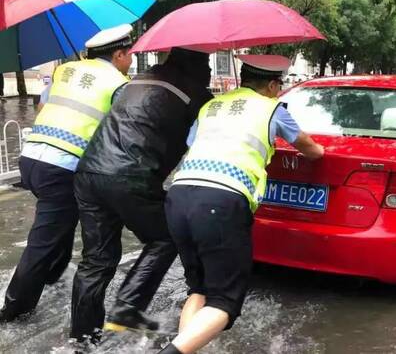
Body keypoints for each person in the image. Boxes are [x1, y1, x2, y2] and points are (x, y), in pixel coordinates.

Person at [159, 55, 324, 354]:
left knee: (198, 288)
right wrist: (320, 152)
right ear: (273, 85)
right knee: (224, 301)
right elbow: (310, 149)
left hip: (178, 196)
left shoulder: (211, 106)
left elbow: (192, 143)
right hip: (220, 203)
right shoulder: (273, 108)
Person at [70, 47, 213, 343]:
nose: (210, 72)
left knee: (95, 260)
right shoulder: (194, 92)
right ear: (198, 66)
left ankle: (82, 339)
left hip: (89, 174)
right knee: (167, 236)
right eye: (208, 64)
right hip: (130, 176)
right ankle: (128, 306)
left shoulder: (140, 78)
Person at [0, 24, 134, 323]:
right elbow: (122, 132)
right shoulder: (118, 83)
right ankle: (14, 309)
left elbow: (42, 105)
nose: (131, 61)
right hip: (61, 166)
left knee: (60, 219)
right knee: (44, 239)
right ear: (119, 53)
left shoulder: (65, 70)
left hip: (31, 158)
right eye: (130, 55)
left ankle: (52, 274)